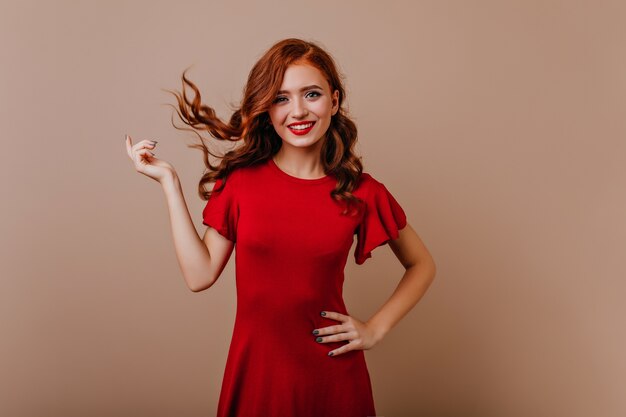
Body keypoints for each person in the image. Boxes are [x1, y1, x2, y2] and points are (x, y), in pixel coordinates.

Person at [125, 38, 436, 417]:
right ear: (267, 109)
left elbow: (422, 265)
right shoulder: (241, 182)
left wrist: (374, 329)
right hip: (257, 375)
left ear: (334, 101)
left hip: (332, 378)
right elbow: (199, 274)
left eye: (312, 94)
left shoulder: (363, 193)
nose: (299, 110)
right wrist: (168, 182)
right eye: (282, 98)